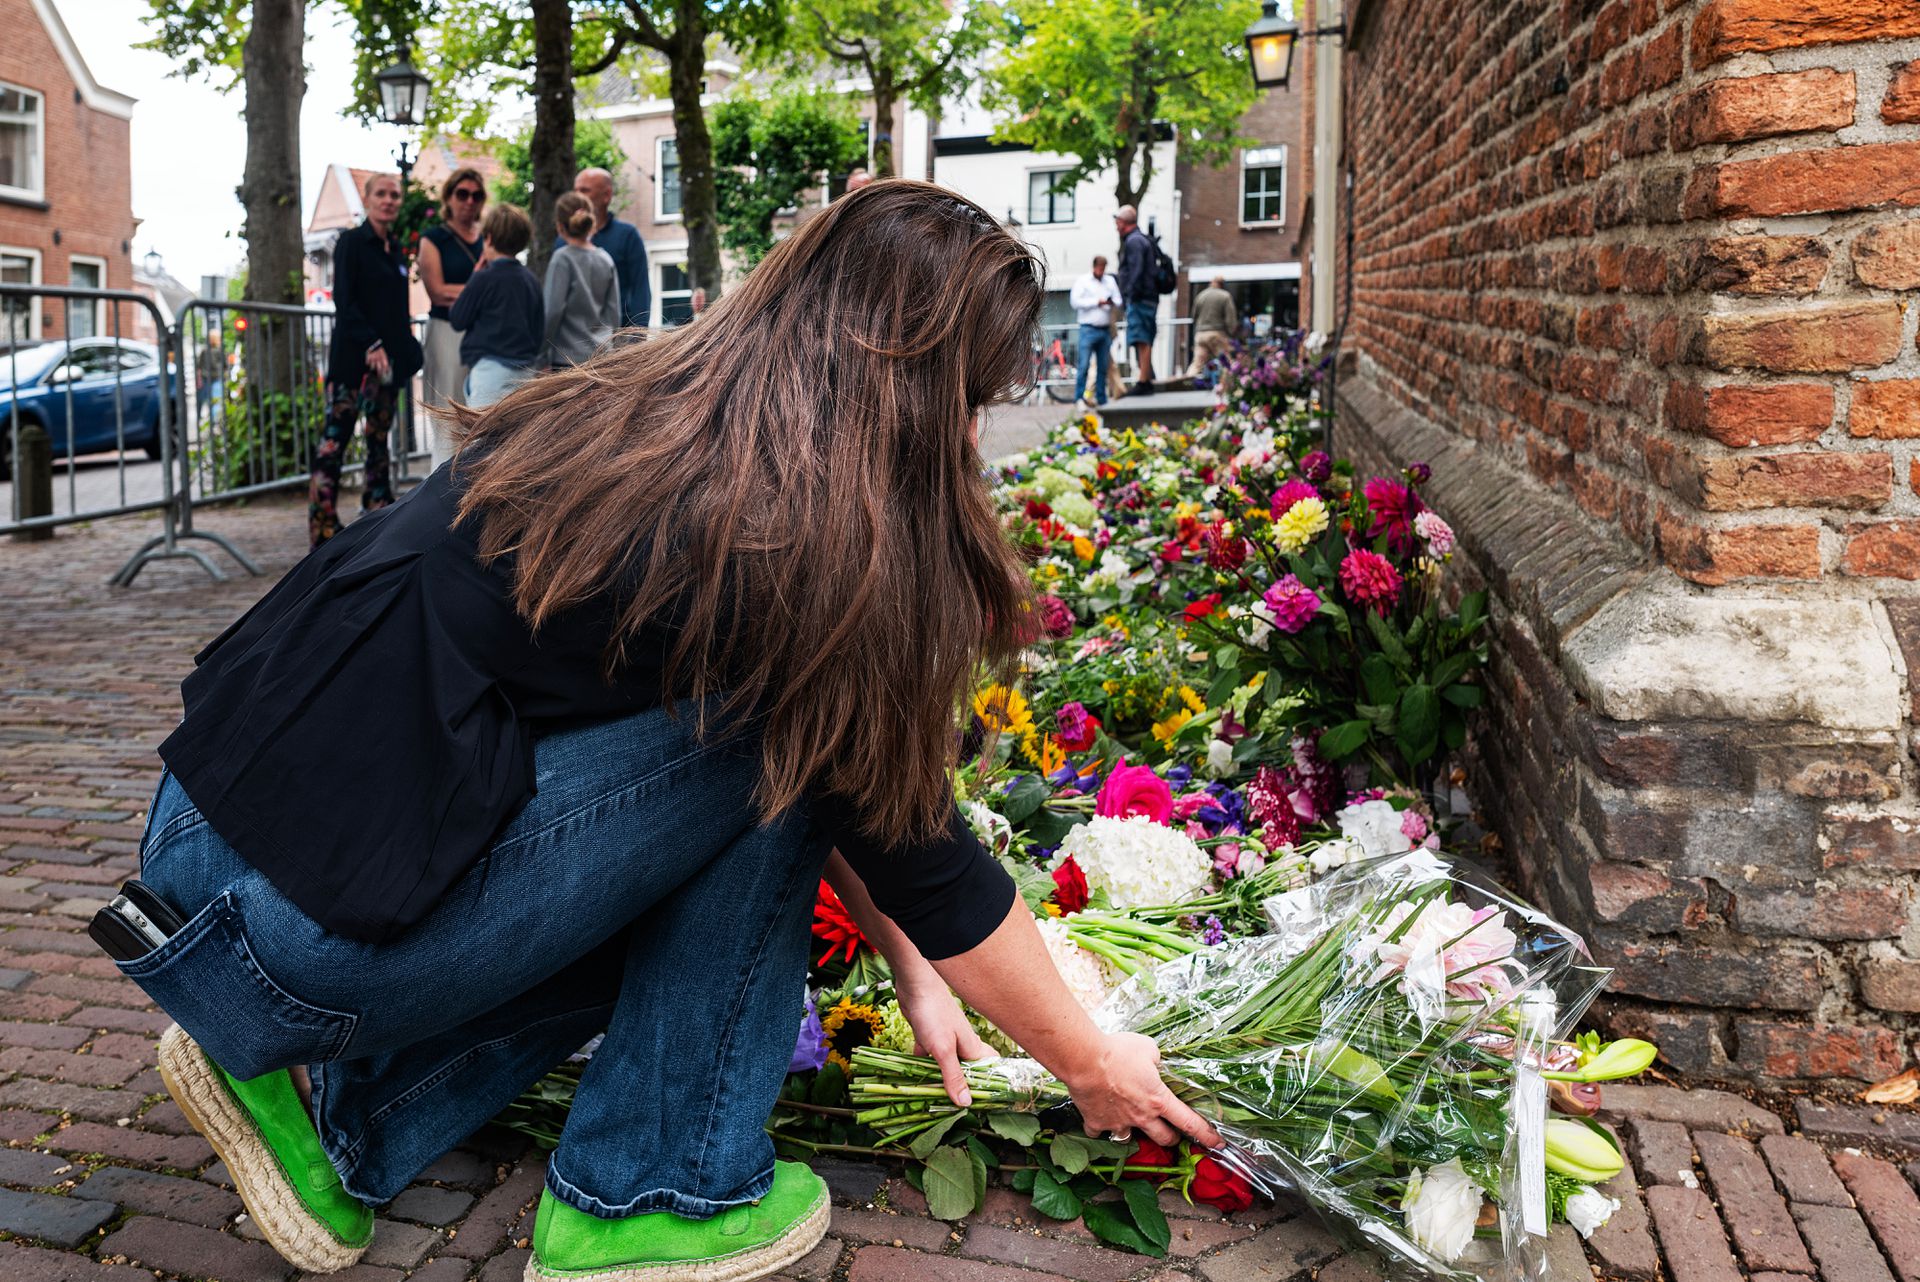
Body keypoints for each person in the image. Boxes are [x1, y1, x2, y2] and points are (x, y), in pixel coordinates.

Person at [116, 181, 1220, 1282]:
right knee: (779, 745)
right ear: (918, 386)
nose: (978, 432)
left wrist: (907, 962)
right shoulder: (801, 541)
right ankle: (653, 1183)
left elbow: (843, 804)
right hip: (287, 940)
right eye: (975, 395)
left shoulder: (643, 420)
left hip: (202, 857)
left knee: (773, 750)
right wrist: (1089, 1060)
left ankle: (334, 1115)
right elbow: (908, 838)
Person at [310, 172, 422, 547]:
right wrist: (371, 343)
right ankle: (322, 526)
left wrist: (405, 351)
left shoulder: (394, 250)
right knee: (334, 443)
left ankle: (377, 511)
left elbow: (396, 311)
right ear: (368, 199)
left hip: (386, 367)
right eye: (382, 194)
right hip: (353, 362)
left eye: (394, 195)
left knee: (378, 441)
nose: (389, 200)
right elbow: (346, 299)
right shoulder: (351, 243)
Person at [418, 168, 488, 467]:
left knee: (479, 412)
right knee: (447, 412)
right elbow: (437, 291)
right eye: (462, 194)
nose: (469, 201)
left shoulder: (487, 237)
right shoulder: (434, 239)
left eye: (476, 195)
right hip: (447, 333)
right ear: (449, 197)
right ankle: (440, 485)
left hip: (483, 334)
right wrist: (481, 287)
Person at [452, 204, 545, 407]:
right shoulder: (531, 280)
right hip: (524, 371)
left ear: (490, 238)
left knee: (484, 433)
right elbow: (538, 331)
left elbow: (458, 319)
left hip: (490, 370)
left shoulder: (484, 278)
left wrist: (474, 276)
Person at [562, 168, 650, 330]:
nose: (577, 197)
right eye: (575, 191)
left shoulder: (627, 236)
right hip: (573, 342)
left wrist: (638, 335)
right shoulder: (562, 242)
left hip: (618, 337)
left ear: (606, 195)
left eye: (584, 190)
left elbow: (640, 288)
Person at [543, 192, 622, 367]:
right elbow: (614, 313)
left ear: (560, 227)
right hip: (600, 359)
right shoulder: (606, 259)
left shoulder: (562, 259)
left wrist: (541, 354)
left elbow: (552, 312)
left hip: (566, 360)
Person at [1114, 204, 1159, 397]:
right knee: (1142, 337)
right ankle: (1147, 376)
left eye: (1117, 222)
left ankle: (1144, 381)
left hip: (1140, 298)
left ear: (1123, 222)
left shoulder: (1134, 242)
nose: (1116, 226)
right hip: (1146, 297)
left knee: (1141, 338)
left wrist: (1130, 296)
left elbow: (1136, 271)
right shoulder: (1142, 240)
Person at [1068, 255, 1122, 407]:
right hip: (1088, 328)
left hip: (1105, 329)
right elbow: (1075, 302)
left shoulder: (1109, 281)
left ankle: (1101, 398)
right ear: (1094, 267)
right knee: (1084, 365)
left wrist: (1110, 302)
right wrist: (1096, 302)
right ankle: (1079, 398)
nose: (1101, 271)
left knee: (1102, 367)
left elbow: (1119, 300)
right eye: (1099, 268)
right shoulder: (1083, 281)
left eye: (1103, 269)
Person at [1185, 274, 1238, 380]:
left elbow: (1194, 315)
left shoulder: (1201, 295)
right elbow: (1230, 318)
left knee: (1197, 363)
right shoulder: (1225, 295)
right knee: (1226, 362)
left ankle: (1187, 382)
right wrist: (1232, 332)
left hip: (1200, 334)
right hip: (1216, 333)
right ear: (1222, 284)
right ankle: (1230, 386)